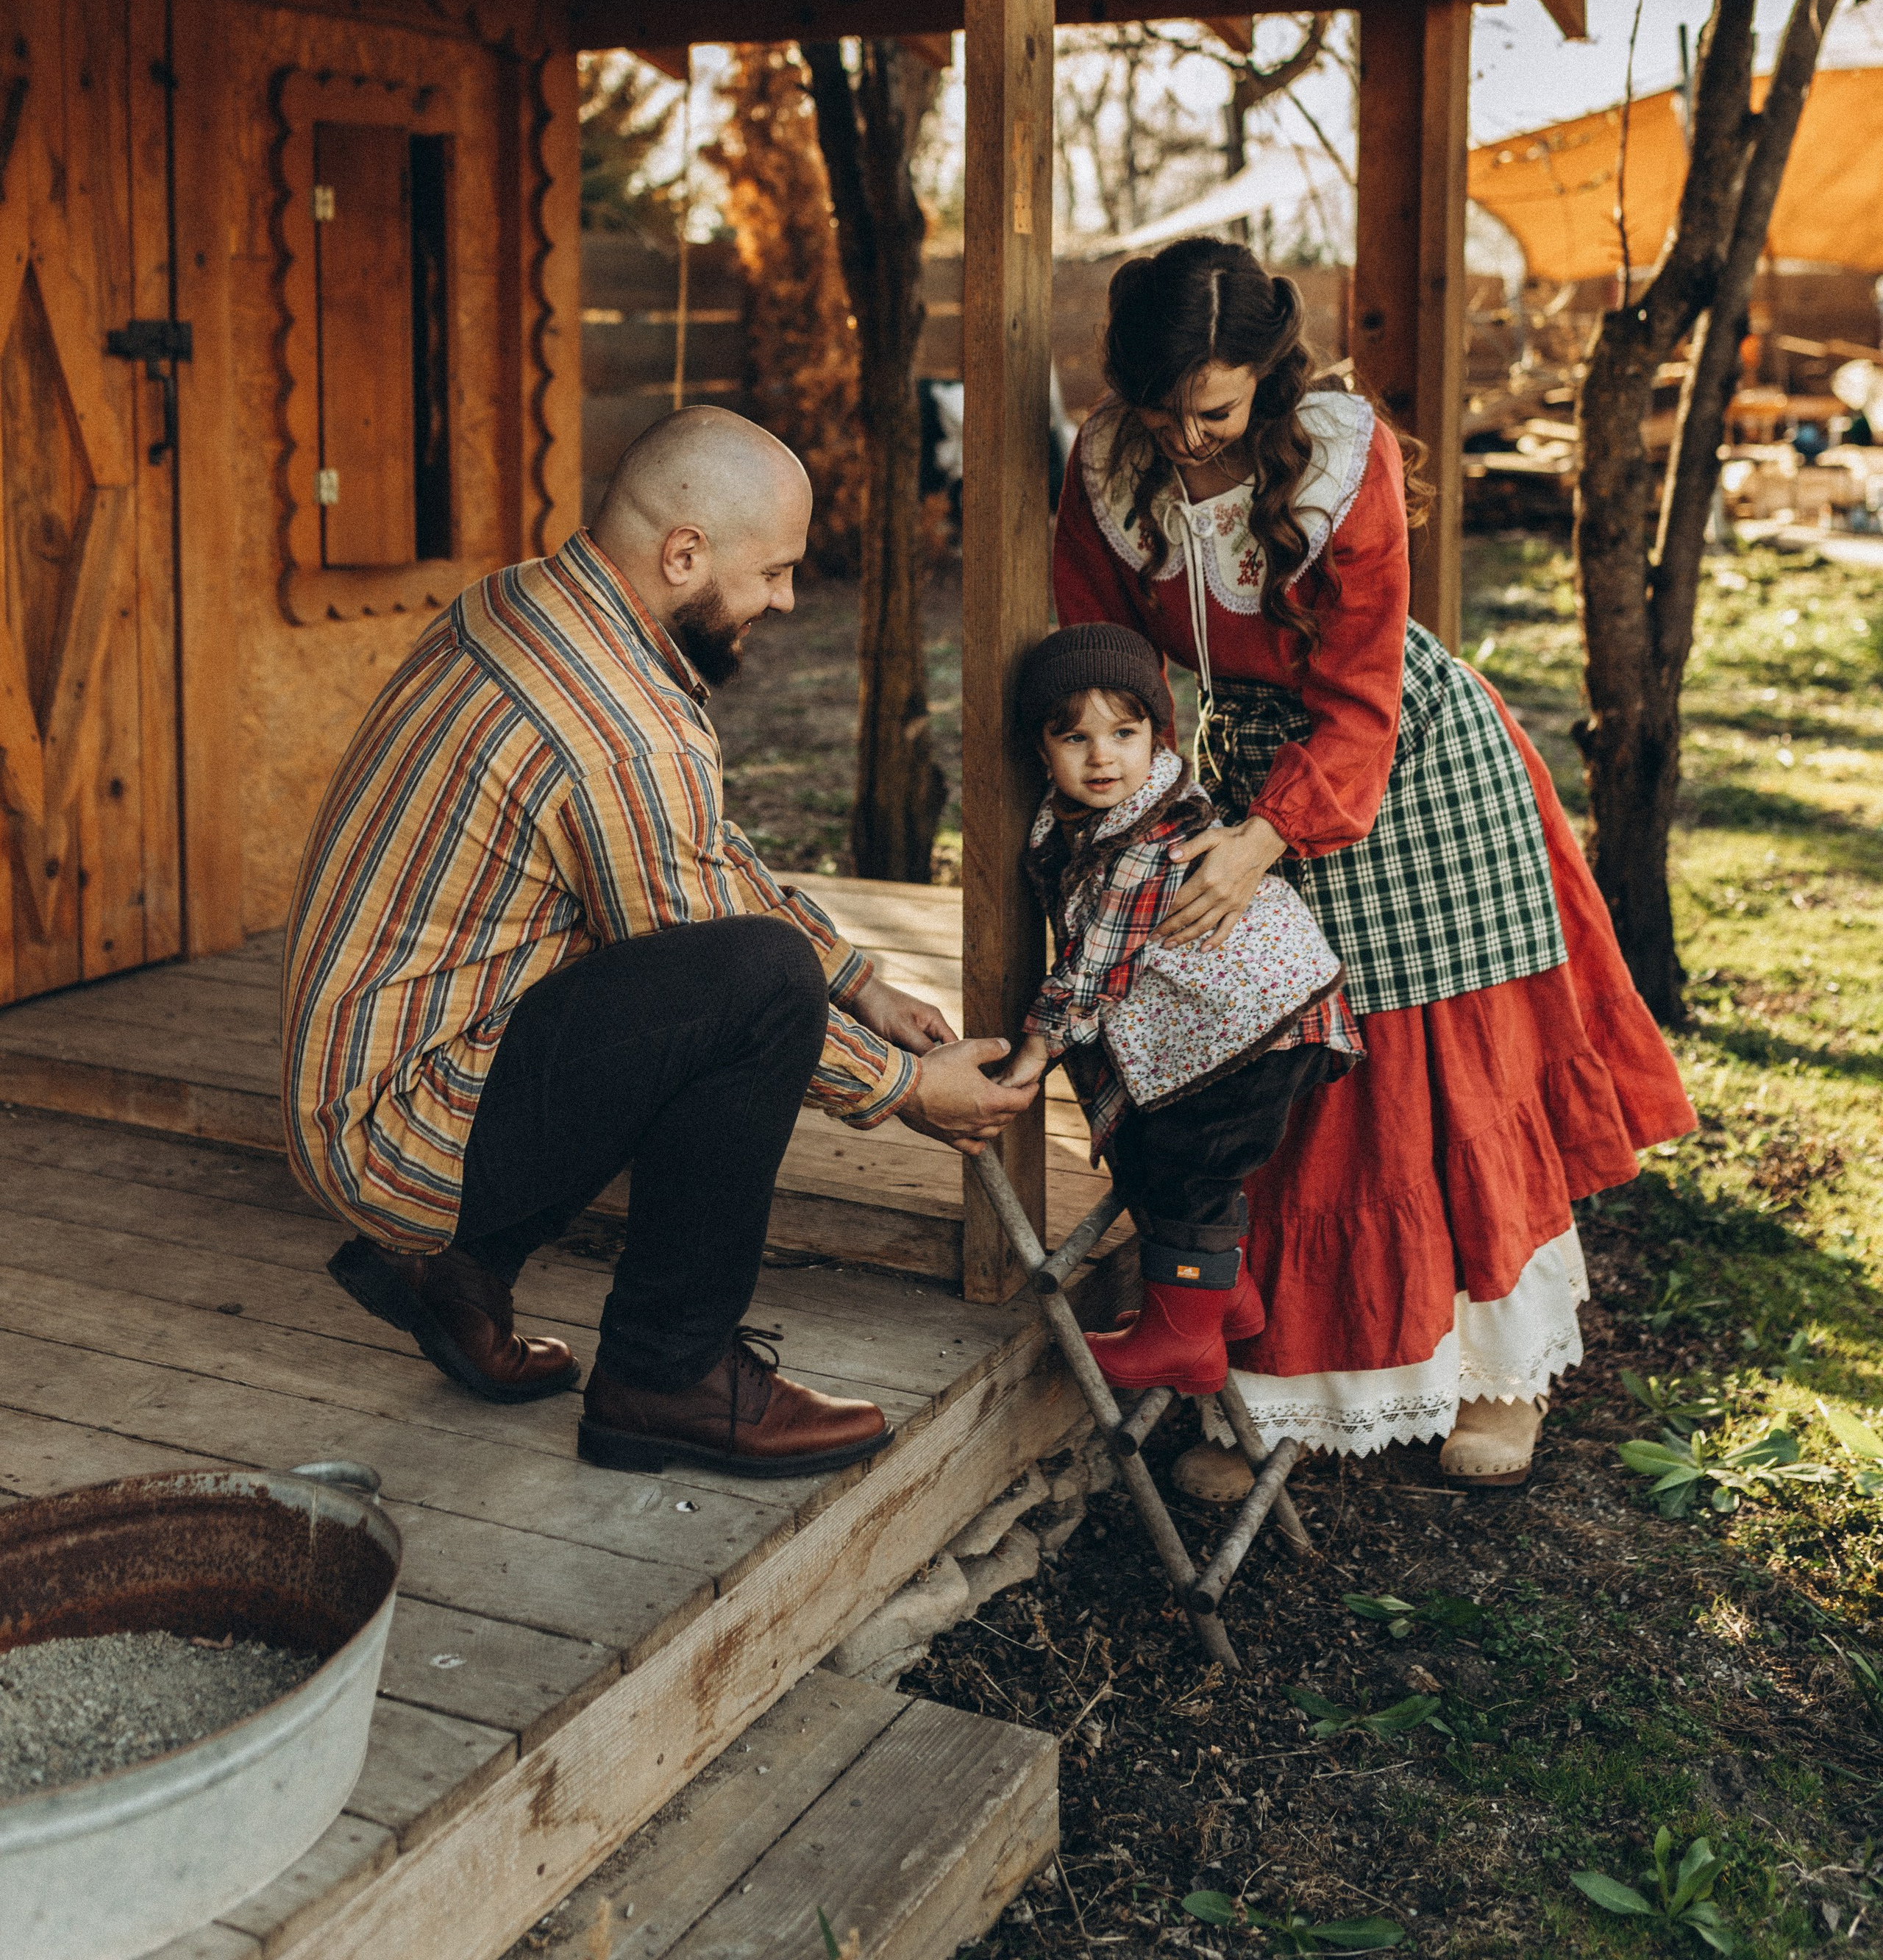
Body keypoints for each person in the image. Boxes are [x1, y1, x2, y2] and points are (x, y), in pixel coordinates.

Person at [1053, 238, 1697, 1491]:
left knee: (1431, 1071)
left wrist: (1268, 839)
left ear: (1269, 380)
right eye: (1162, 413)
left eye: (1217, 412)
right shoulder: (1114, 471)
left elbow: (1359, 688)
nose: (1187, 441)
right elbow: (1100, 651)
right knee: (1284, 1071)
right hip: (1238, 762)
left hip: (1401, 753)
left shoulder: (1343, 457)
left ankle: (1502, 1377)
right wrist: (1145, 793)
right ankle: (1289, 1388)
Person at [282, 407, 1033, 1480]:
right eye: (772, 572)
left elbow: (692, 852)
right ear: (683, 553)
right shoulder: (622, 730)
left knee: (724, 964)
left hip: (371, 1071)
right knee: (759, 988)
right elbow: (721, 955)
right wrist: (908, 1089)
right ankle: (666, 1375)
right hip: (395, 1127)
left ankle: (455, 1271)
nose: (783, 598)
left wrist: (859, 981)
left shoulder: (529, 599)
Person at [1003, 622, 1359, 1397]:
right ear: (1042, 749)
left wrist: (1034, 1051)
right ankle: (1220, 1294)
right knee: (1177, 1143)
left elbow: (1094, 964)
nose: (1102, 757)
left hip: (1257, 1024)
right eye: (1074, 738)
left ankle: (1183, 1337)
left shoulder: (1147, 838)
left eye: (1123, 733)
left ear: (1155, 735)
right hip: (1243, 1018)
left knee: (1189, 1164)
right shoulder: (1089, 811)